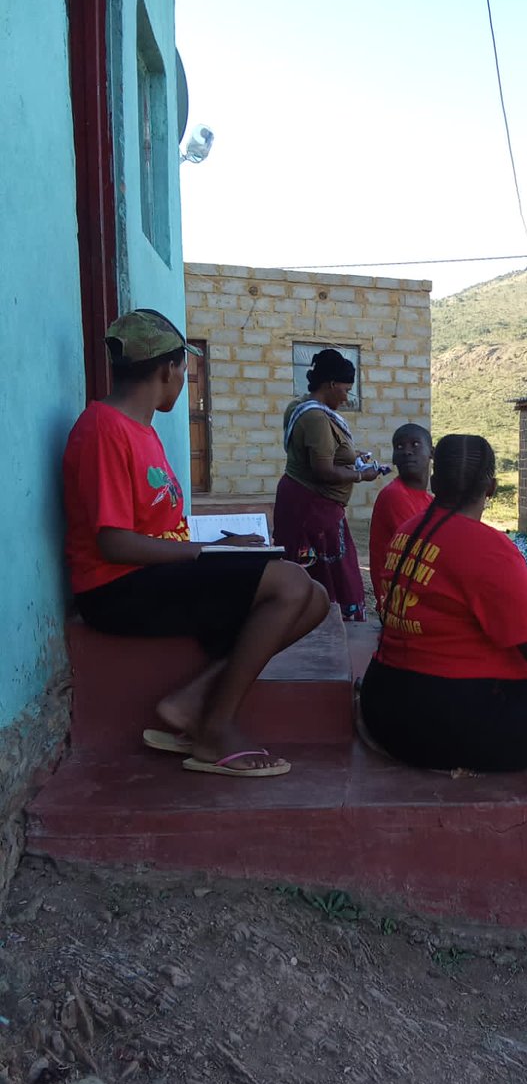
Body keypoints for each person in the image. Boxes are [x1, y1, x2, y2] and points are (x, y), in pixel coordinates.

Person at [360, 434, 527, 903]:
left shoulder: (410, 529)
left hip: (386, 700)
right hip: (431, 721)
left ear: (435, 478)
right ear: (490, 489)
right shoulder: (489, 549)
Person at [63, 308, 330, 777]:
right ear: (168, 369)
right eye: (185, 370)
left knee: (315, 597)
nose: (184, 379)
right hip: (117, 587)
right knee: (289, 585)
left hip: (153, 572)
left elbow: (154, 523)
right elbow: (115, 543)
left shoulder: (141, 429)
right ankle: (214, 730)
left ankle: (192, 700)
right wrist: (205, 553)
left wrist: (224, 543)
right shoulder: (104, 429)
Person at [273, 349, 383, 621]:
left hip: (303, 500)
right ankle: (323, 620)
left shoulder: (300, 407)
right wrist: (361, 475)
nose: (347, 398)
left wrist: (354, 457)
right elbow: (322, 469)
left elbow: (325, 454)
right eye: (345, 390)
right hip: (313, 508)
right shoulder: (316, 418)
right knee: (328, 572)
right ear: (331, 384)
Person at [368, 423, 434, 614]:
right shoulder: (395, 495)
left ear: (431, 452)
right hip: (401, 604)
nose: (406, 452)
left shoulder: (428, 500)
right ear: (394, 459)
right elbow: (423, 553)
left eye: (414, 445)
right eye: (399, 447)